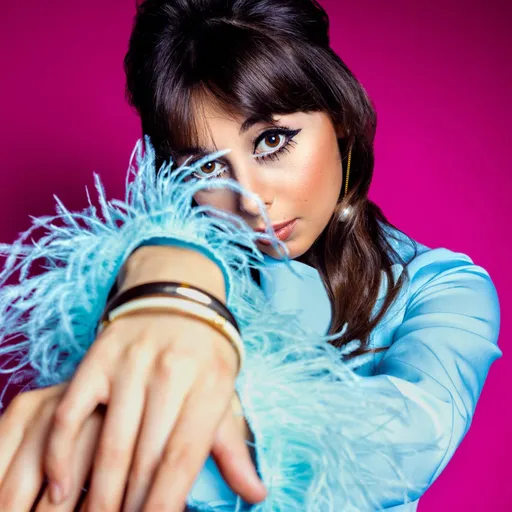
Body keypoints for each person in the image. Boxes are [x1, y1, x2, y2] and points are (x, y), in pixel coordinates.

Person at [0, 0, 502, 510]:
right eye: (206, 169)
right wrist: (172, 280)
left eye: (271, 140)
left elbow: (412, 440)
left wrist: (192, 422)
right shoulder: (157, 267)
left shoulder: (442, 288)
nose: (250, 199)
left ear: (340, 119)